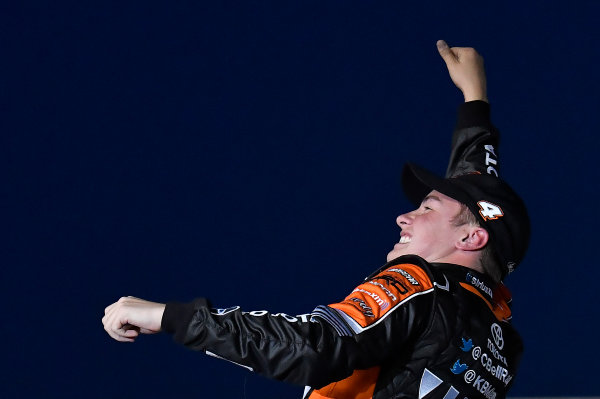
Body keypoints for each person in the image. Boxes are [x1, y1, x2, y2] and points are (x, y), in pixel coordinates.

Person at [103, 40, 530, 399]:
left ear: (472, 240)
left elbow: (315, 347)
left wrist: (171, 317)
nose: (404, 217)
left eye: (426, 209)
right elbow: (482, 200)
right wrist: (475, 103)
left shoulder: (418, 284)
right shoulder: (500, 338)